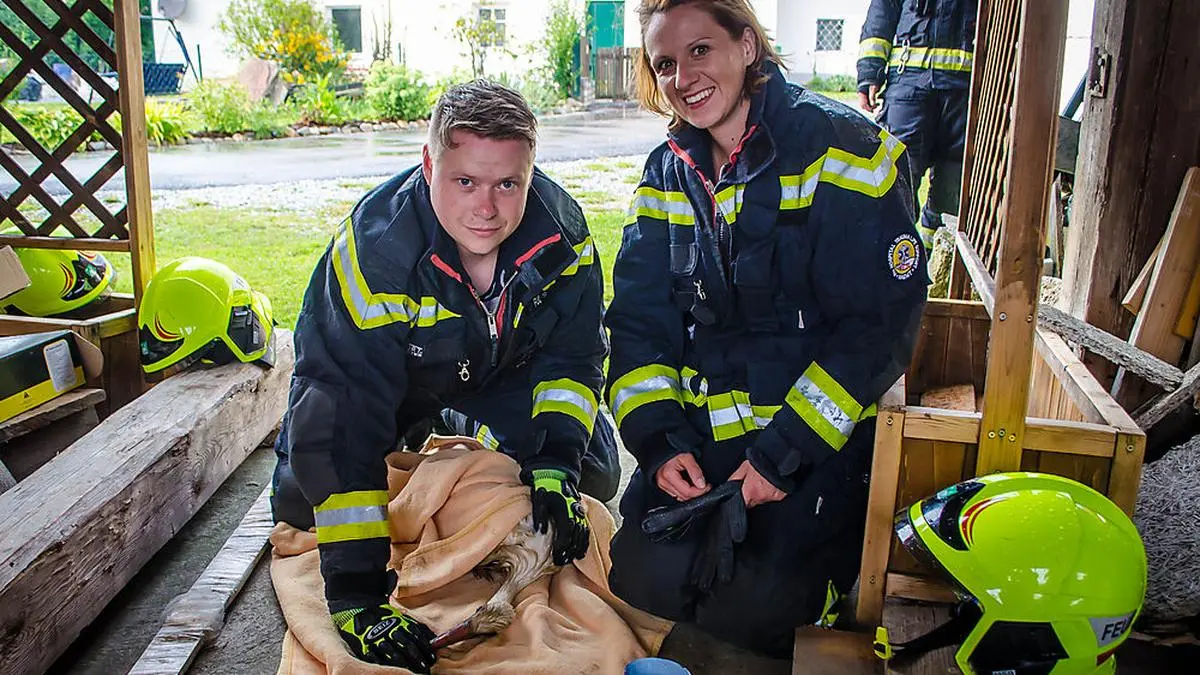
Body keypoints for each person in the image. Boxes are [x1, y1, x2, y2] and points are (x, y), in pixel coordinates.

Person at [605, 0, 928, 657]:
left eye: (701, 50)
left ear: (747, 46)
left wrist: (782, 455)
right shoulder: (667, 172)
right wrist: (661, 442)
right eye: (664, 62)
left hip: (810, 449)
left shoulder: (844, 149)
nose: (681, 76)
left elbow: (879, 327)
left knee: (752, 618)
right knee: (636, 580)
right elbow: (638, 323)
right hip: (700, 445)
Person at [270, 80, 618, 672]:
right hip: (395, 382)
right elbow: (343, 410)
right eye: (465, 182)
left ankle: (466, 426)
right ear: (429, 163)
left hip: (504, 371)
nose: (486, 208)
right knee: (306, 501)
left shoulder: (564, 238)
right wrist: (356, 595)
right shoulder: (374, 254)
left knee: (593, 477)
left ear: (532, 171)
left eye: (508, 183)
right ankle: (440, 426)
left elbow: (573, 360)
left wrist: (557, 458)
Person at [856, 0, 976, 250]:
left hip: (966, 90)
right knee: (898, 173)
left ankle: (937, 260)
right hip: (909, 84)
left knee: (954, 181)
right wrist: (869, 72)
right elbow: (882, 12)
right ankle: (894, 258)